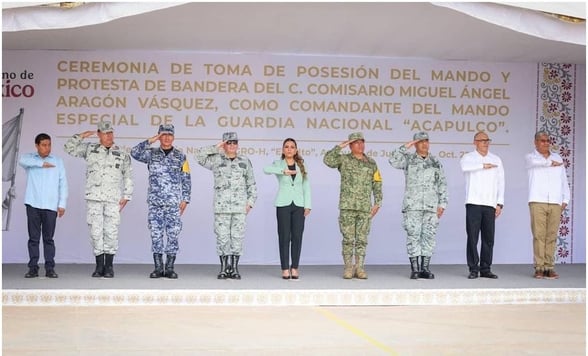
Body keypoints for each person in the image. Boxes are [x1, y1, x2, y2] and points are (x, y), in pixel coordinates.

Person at [64, 121, 133, 278]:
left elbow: (128, 175)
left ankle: (109, 266)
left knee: (111, 231)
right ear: (99, 134)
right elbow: (69, 148)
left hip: (113, 199)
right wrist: (81, 136)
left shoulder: (121, 153)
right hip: (94, 197)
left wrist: (127, 196)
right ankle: (98, 266)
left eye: (111, 133)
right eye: (105, 133)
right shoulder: (90, 149)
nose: (109, 136)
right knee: (95, 232)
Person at [131, 124, 191, 279]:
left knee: (173, 235)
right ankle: (158, 268)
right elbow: (134, 152)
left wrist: (186, 199)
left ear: (174, 137)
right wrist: (151, 140)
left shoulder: (181, 156)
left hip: (173, 203)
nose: (166, 138)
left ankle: (170, 267)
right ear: (159, 136)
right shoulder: (151, 154)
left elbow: (186, 179)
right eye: (163, 135)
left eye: (169, 135)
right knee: (156, 235)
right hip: (155, 202)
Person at [195, 132, 257, 280]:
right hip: (221, 207)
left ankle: (234, 268)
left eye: (234, 142)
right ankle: (223, 268)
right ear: (224, 144)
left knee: (237, 238)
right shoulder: (216, 160)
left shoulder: (244, 161)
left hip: (239, 207)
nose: (232, 145)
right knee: (222, 238)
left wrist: (250, 203)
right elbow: (198, 156)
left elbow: (251, 183)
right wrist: (216, 147)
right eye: (228, 143)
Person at [389, 131, 448, 279]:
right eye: (420, 141)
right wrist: (406, 146)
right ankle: (415, 269)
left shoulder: (435, 162)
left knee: (429, 237)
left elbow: (442, 184)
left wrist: (442, 204)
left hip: (430, 206)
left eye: (426, 141)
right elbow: (392, 159)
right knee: (413, 236)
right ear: (415, 144)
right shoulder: (408, 160)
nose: (424, 144)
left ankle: (425, 268)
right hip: (413, 206)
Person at [323, 132, 382, 279]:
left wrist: (378, 202)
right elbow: (327, 160)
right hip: (347, 206)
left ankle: (360, 268)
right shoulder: (344, 160)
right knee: (348, 239)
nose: (360, 145)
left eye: (362, 142)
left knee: (362, 239)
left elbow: (377, 183)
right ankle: (348, 268)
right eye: (356, 142)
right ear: (350, 145)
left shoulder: (371, 163)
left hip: (364, 207)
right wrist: (339, 146)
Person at [19, 133, 68, 278]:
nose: (47, 148)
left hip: (50, 205)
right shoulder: (30, 159)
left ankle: (49, 268)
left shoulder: (58, 161)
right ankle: (33, 268)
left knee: (48, 239)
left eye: (49, 145)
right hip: (33, 204)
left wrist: (62, 204)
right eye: (44, 145)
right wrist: (41, 163)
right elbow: (21, 160)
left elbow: (63, 184)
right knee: (33, 239)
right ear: (37, 146)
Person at [264, 138, 312, 280]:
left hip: (299, 204)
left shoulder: (301, 165)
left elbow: (306, 186)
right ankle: (285, 268)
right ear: (283, 150)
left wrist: (308, 204)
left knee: (297, 237)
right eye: (287, 147)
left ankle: (295, 267)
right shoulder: (278, 164)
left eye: (292, 147)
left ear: (296, 150)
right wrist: (282, 171)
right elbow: (265, 169)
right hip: (283, 204)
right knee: (284, 237)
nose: (289, 149)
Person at [460, 131, 505, 279]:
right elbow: (464, 167)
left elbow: (501, 182)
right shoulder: (468, 158)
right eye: (482, 140)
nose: (485, 143)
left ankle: (486, 268)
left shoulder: (496, 159)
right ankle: (473, 268)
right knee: (472, 237)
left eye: (487, 140)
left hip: (490, 204)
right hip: (473, 203)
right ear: (475, 142)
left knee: (489, 238)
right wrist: (483, 165)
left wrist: (500, 203)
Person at [526, 131, 570, 279]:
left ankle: (549, 267)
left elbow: (563, 179)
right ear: (535, 142)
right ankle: (539, 267)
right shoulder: (531, 157)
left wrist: (565, 199)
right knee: (539, 235)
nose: (546, 143)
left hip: (555, 202)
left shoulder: (557, 157)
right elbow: (535, 163)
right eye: (542, 141)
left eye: (547, 141)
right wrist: (550, 163)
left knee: (551, 235)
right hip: (537, 200)